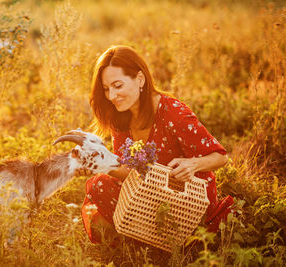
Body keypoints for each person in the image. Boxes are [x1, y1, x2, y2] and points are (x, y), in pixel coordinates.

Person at [79, 45, 234, 244]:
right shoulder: (120, 115)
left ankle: (155, 238)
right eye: (106, 89)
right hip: (151, 194)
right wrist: (101, 164)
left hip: (186, 200)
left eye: (118, 86)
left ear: (140, 79)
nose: (111, 96)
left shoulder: (173, 113)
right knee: (99, 184)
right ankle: (144, 238)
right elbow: (132, 173)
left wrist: (192, 165)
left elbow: (221, 157)